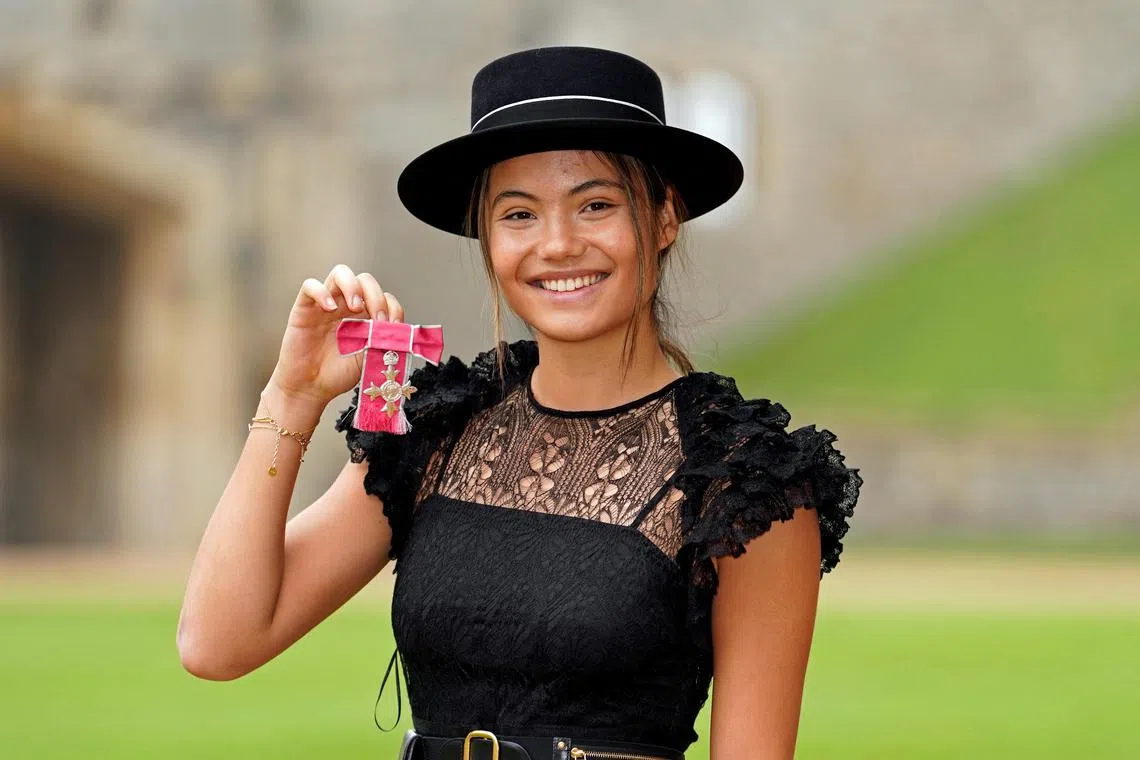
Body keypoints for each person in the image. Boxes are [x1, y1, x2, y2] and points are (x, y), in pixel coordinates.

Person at [177, 46, 862, 760]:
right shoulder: (440, 429)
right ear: (488, 238)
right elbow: (218, 641)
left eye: (595, 204)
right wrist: (292, 394)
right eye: (519, 214)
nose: (558, 245)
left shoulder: (743, 476)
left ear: (662, 220)